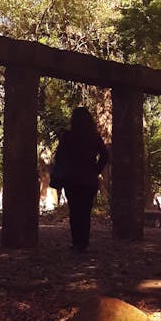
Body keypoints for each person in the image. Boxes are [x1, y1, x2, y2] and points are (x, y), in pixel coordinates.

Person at [52, 106, 108, 252]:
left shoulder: (68, 136)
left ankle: (77, 242)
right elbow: (105, 155)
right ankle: (84, 242)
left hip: (72, 179)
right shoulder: (94, 137)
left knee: (75, 211)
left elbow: (59, 157)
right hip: (89, 179)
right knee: (85, 211)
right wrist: (96, 169)